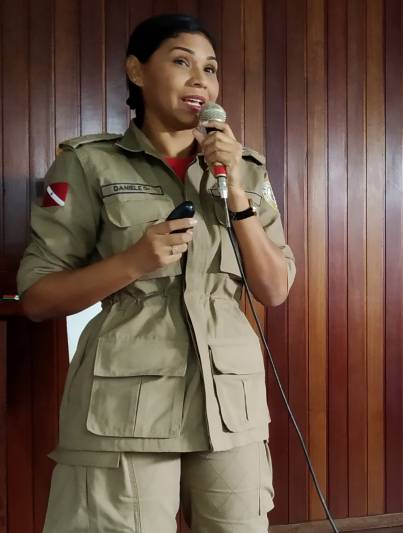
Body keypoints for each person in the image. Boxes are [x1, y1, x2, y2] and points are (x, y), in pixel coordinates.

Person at [16, 13, 295, 532]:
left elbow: (274, 287)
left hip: (228, 409)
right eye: (181, 62)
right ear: (137, 71)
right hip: (125, 410)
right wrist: (132, 263)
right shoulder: (89, 163)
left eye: (210, 69)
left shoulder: (249, 170)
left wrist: (235, 192)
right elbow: (38, 296)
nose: (200, 80)